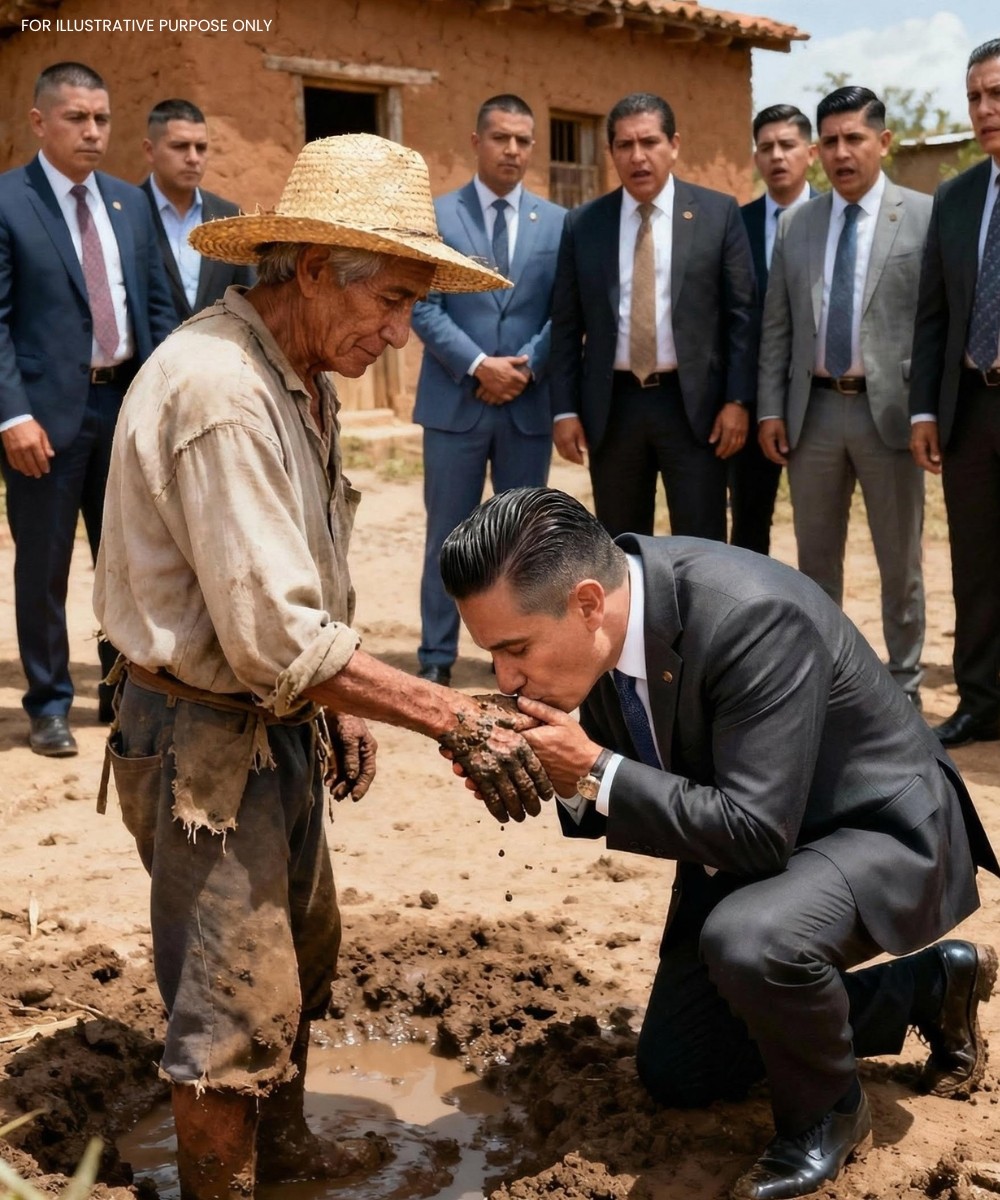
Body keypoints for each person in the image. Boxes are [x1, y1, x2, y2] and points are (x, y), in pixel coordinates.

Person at [93, 133, 552, 1200]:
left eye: (411, 309)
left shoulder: (299, 373)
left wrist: (341, 703)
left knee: (294, 956)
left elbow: (300, 579)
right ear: (310, 269)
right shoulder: (221, 392)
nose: (399, 335)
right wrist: (452, 715)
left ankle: (288, 1155)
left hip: (274, 714)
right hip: (204, 737)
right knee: (227, 1005)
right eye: (390, 303)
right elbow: (275, 640)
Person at [439, 485, 999, 1200]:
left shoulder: (751, 616)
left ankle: (827, 1117)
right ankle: (926, 987)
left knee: (751, 942)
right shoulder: (602, 634)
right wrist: (548, 770)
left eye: (515, 650)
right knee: (680, 1070)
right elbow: (641, 787)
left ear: (586, 603)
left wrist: (592, 770)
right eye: (492, 655)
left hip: (875, 829)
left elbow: (756, 832)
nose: (506, 678)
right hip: (758, 838)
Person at [0, 61, 175, 756]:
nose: (93, 131)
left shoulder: (130, 204)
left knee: (127, 565)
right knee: (43, 568)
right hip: (43, 423)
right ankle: (48, 704)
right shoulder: (8, 202)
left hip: (124, 410)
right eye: (76, 118)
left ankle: (120, 693)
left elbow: (155, 311)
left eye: (101, 118)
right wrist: (12, 415)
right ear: (39, 122)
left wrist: (163, 404)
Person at [758, 87, 931, 706]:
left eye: (853, 138)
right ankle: (828, 684)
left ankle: (905, 683)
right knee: (816, 560)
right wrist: (770, 408)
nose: (841, 152)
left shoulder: (922, 216)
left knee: (900, 561)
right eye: (829, 141)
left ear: (882, 142)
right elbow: (777, 327)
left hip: (893, 414)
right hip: (814, 414)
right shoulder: (797, 224)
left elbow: (935, 322)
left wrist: (929, 409)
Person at [549, 91, 757, 540]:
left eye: (649, 142)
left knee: (701, 542)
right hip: (614, 408)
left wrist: (737, 402)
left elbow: (742, 316)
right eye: (624, 145)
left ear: (674, 145)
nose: (637, 156)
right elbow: (565, 326)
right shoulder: (584, 224)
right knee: (620, 546)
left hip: (694, 408)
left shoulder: (717, 214)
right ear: (610, 152)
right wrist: (564, 410)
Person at [411, 94, 565, 686]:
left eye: (523, 140)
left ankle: (521, 654)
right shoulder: (438, 216)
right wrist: (479, 365)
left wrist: (525, 367)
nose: (512, 150)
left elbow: (564, 310)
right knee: (448, 535)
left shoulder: (557, 222)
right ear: (476, 142)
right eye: (501, 137)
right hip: (456, 403)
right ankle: (436, 656)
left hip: (527, 404)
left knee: (523, 542)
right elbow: (422, 305)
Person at [910, 37, 1000, 748]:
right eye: (974, 96)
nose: (984, 109)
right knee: (975, 565)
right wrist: (924, 409)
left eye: (997, 94)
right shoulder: (958, 197)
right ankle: (981, 701)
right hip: (970, 408)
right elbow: (934, 314)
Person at [731, 104, 816, 555]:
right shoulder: (734, 225)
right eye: (766, 148)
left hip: (816, 396)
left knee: (820, 522)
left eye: (787, 145)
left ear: (810, 153)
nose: (777, 156)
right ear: (755, 158)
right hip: (750, 400)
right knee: (749, 519)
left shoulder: (832, 219)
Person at [140, 97, 254, 325]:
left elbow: (247, 300)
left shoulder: (228, 218)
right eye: (179, 146)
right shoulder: (127, 214)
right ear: (150, 151)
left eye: (200, 148)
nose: (193, 158)